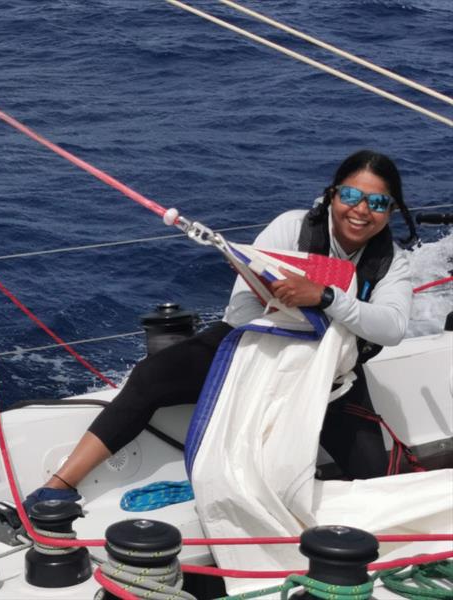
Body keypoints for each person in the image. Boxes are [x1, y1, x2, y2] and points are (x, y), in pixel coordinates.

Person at [24, 149, 416, 511]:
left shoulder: (392, 262)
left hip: (331, 377)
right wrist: (277, 310)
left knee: (374, 478)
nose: (361, 210)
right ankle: (60, 485)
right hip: (255, 351)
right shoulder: (291, 228)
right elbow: (241, 307)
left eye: (378, 202)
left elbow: (393, 327)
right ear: (332, 194)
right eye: (350, 195)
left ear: (391, 210)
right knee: (152, 376)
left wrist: (324, 297)